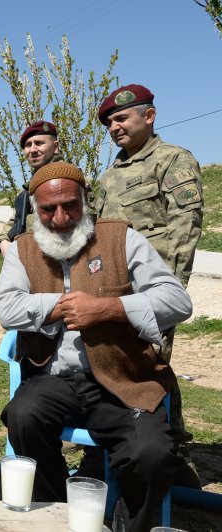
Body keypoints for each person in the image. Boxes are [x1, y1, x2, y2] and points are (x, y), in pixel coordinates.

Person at [0, 161, 192, 532]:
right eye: (47, 209)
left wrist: (109, 308)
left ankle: (128, 522)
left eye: (70, 205)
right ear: (35, 210)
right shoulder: (22, 250)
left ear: (86, 200)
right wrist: (58, 305)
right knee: (24, 416)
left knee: (151, 455)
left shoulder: (121, 239)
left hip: (122, 377)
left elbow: (178, 302)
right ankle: (57, 511)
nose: (59, 217)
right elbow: (7, 309)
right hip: (53, 379)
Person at [96, 83, 204, 486]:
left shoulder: (173, 161)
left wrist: (169, 292)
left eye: (122, 117)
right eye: (109, 122)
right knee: (115, 361)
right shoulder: (109, 175)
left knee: (150, 363)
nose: (114, 127)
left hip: (151, 288)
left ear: (149, 116)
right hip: (111, 287)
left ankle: (170, 452)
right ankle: (114, 446)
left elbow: (184, 228)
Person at [0, 120, 62, 256]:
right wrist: (2, 242)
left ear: (55, 147)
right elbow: (15, 222)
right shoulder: (29, 190)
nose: (32, 150)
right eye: (28, 145)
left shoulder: (69, 181)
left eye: (39, 143)